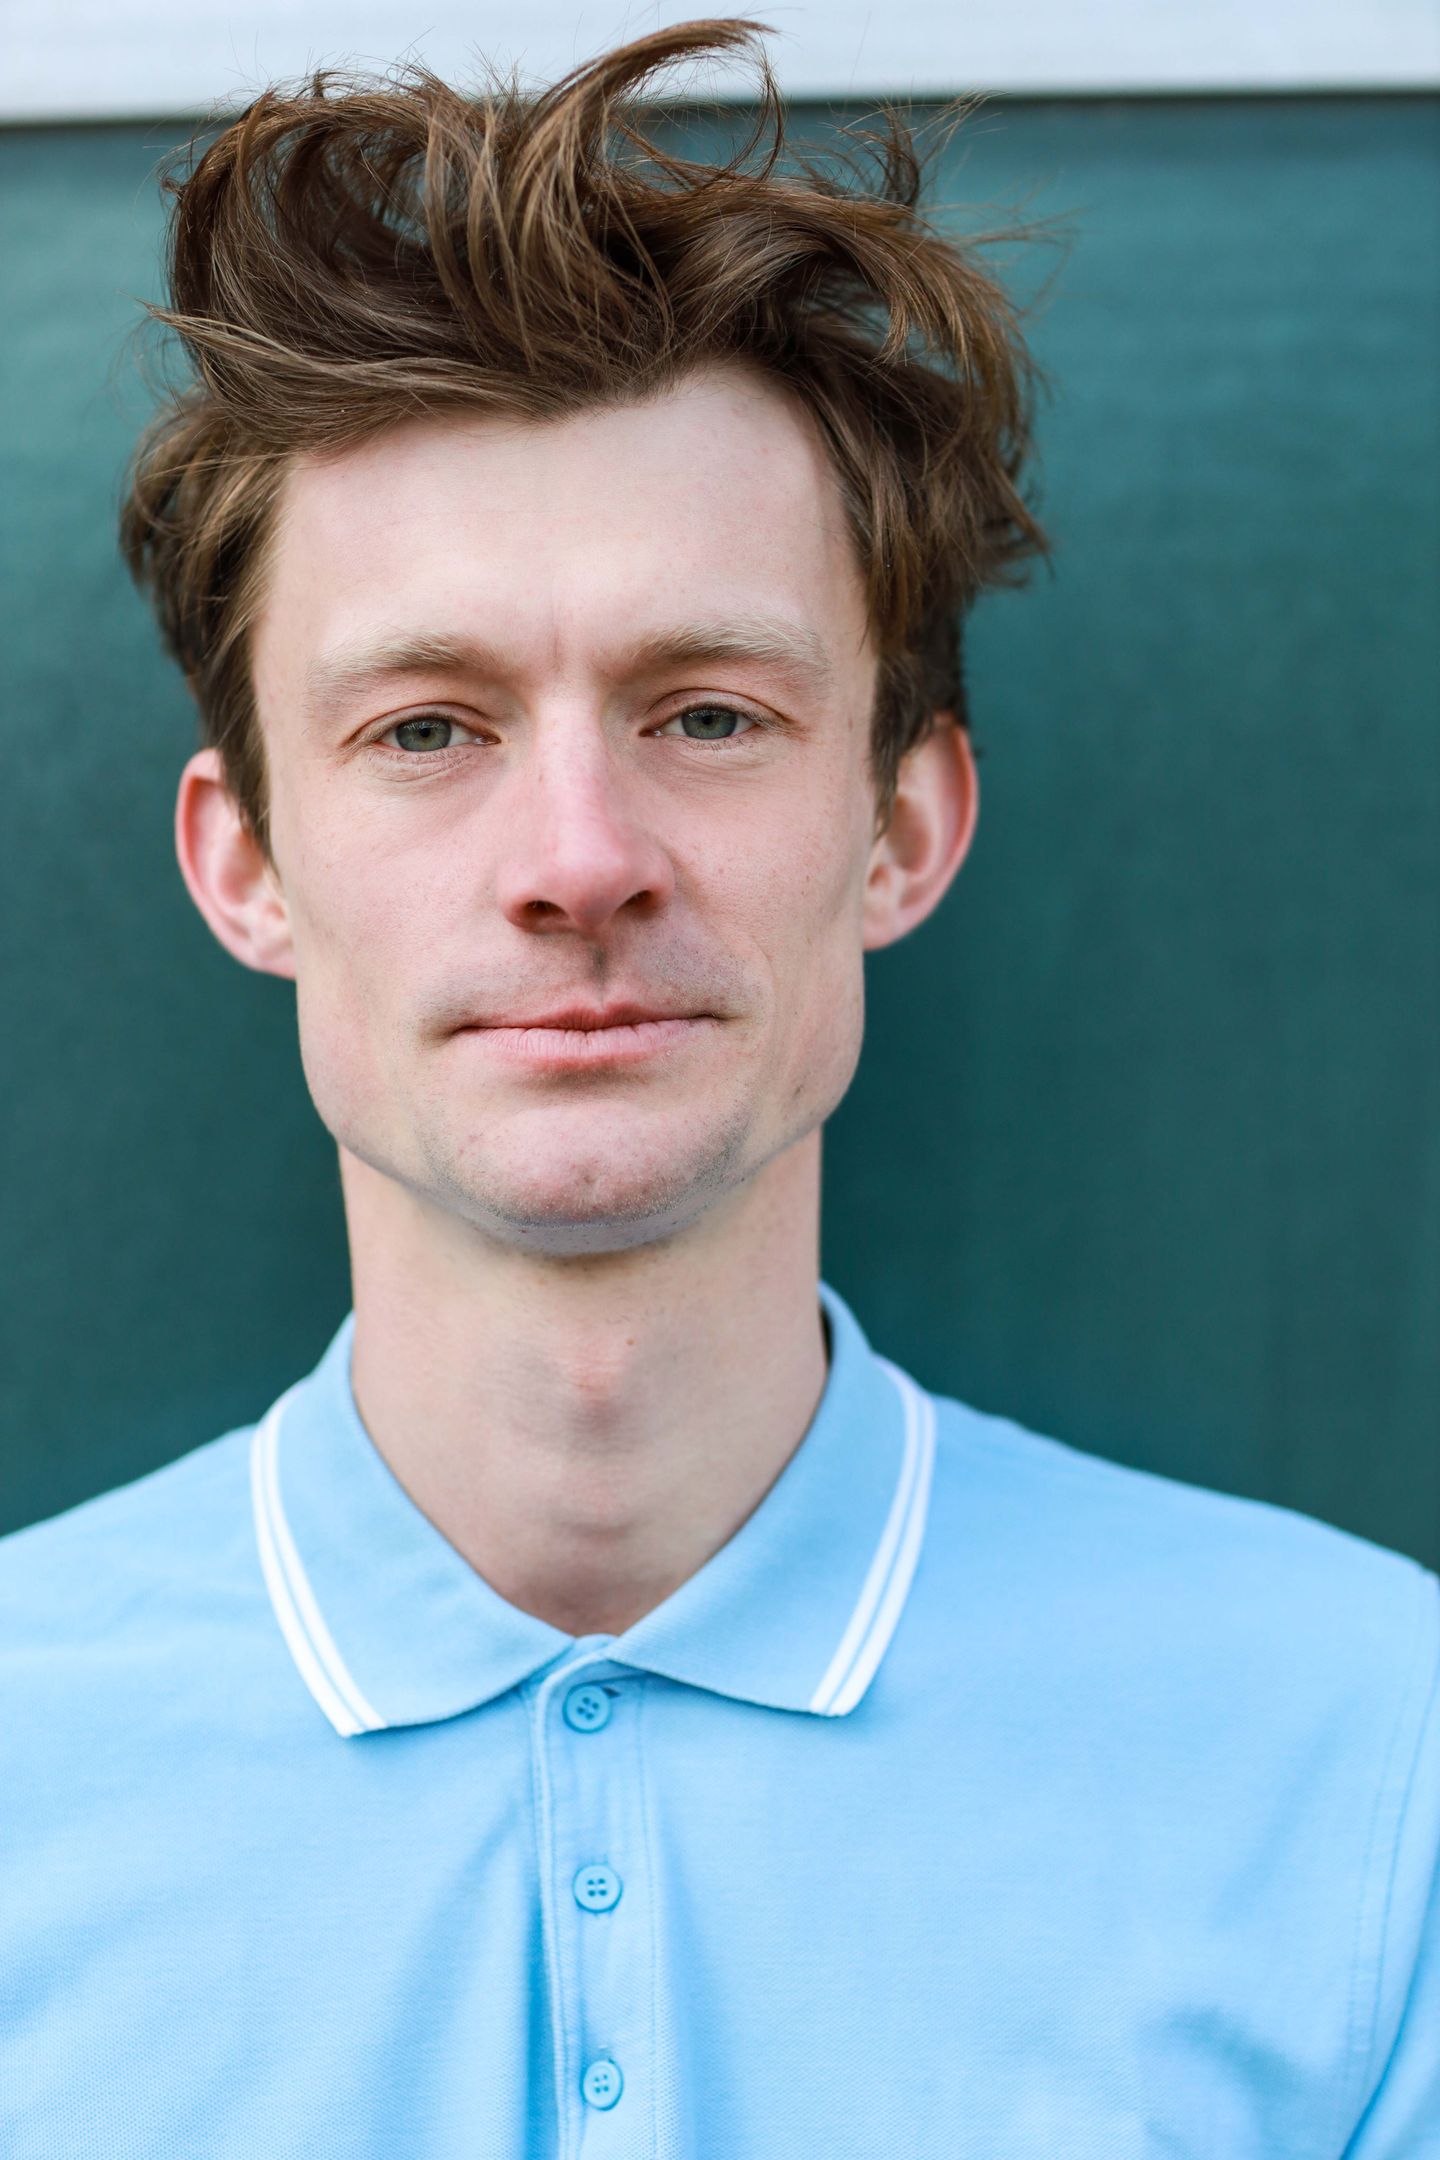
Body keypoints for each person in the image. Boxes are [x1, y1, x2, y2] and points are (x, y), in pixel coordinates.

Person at [3, 18, 1435, 2156]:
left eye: (708, 714)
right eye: (426, 729)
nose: (580, 859)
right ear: (247, 864)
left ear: (904, 827)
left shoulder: (1371, 1771)